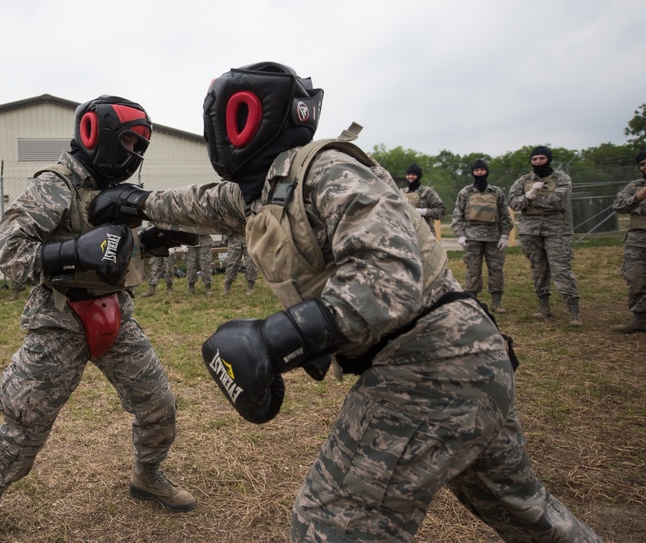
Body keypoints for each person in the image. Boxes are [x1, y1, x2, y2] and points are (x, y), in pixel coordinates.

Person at [90, 62, 599, 542]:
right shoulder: (271, 187)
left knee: (330, 521)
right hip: (462, 358)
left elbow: (389, 274)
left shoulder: (327, 168)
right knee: (525, 512)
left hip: (433, 364)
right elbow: (202, 203)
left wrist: (275, 342)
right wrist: (136, 203)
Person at [0, 96, 195, 543]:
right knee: (26, 420)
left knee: (158, 404)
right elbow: (10, 254)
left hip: (114, 313)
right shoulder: (55, 184)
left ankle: (147, 475)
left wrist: (152, 240)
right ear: (97, 133)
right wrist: (69, 253)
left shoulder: (112, 187)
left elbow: (109, 252)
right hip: (59, 321)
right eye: (128, 139)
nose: (135, 152)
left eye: (141, 143)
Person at [508, 146, 582, 326]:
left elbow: (557, 201)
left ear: (548, 159)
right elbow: (512, 202)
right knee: (538, 269)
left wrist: (528, 199)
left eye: (541, 158)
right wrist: (528, 195)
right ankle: (544, 308)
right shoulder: (523, 180)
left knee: (561, 269)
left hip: (556, 229)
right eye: (535, 159)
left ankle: (573, 311)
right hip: (530, 231)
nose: (538, 162)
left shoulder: (561, 179)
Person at [451, 160, 514, 313]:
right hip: (472, 238)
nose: (479, 173)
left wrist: (505, 235)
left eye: (482, 170)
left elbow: (505, 215)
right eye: (476, 170)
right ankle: (473, 300)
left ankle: (497, 301)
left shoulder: (496, 192)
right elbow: (457, 214)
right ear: (473, 172)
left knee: (496, 269)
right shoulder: (465, 192)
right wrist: (460, 235)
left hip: (494, 237)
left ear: (487, 171)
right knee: (473, 270)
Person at [611, 149, 646, 333]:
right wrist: (638, 197)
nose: (645, 167)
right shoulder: (635, 186)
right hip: (638, 240)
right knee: (635, 279)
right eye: (642, 164)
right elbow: (618, 205)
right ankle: (640, 318)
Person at [402, 163, 445, 236]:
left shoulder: (428, 192)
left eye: (413, 174)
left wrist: (424, 212)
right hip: (406, 233)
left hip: (425, 233)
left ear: (418, 176)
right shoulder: (402, 193)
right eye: (408, 174)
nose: (410, 176)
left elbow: (441, 211)